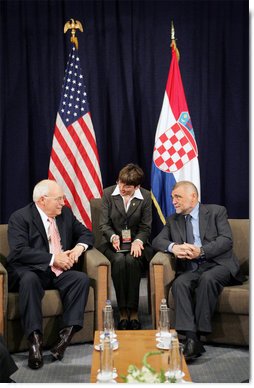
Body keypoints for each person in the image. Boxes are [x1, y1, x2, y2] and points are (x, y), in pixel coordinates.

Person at [6, 179, 94, 370]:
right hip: (30, 270)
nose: (63, 203)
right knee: (29, 280)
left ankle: (64, 339)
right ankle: (34, 343)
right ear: (43, 200)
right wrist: (54, 258)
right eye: (59, 199)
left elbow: (87, 234)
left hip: (57, 272)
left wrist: (78, 248)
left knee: (81, 279)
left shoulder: (65, 214)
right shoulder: (20, 217)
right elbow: (19, 251)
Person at [152, 181, 243, 361]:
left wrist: (201, 251)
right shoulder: (173, 220)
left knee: (208, 278)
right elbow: (157, 241)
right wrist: (173, 247)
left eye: (178, 197)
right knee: (180, 283)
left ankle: (197, 336)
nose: (174, 201)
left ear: (193, 197)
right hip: (194, 268)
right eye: (172, 198)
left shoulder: (216, 212)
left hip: (219, 264)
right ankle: (192, 338)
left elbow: (226, 240)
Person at [98, 164, 153, 330]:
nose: (122, 188)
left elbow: (146, 227)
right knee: (119, 260)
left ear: (137, 187)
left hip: (136, 243)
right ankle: (122, 312)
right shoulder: (108, 193)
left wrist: (138, 241)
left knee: (132, 260)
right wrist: (113, 236)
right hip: (111, 244)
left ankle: (134, 311)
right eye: (120, 183)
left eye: (127, 186)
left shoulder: (146, 196)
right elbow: (104, 224)